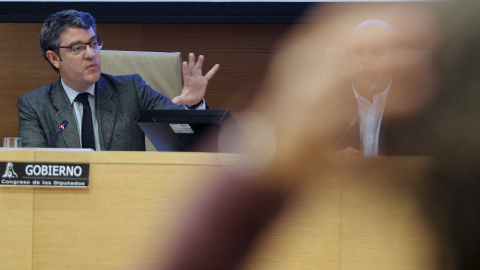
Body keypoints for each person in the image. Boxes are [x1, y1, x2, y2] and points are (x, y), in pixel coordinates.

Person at [17, 9, 219, 151]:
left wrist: (194, 106)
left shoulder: (131, 89)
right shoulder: (34, 105)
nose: (91, 53)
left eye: (94, 43)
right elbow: (34, 168)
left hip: (125, 198)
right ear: (54, 58)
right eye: (77, 48)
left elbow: (186, 138)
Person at [335, 18, 434, 156]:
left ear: (395, 58)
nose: (365, 61)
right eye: (357, 52)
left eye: (376, 52)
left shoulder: (414, 101)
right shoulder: (329, 102)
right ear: (347, 57)